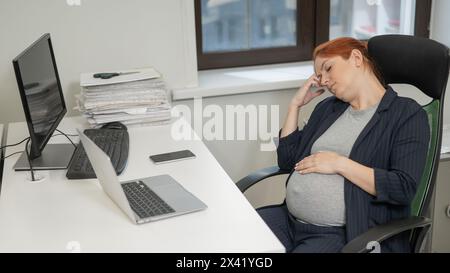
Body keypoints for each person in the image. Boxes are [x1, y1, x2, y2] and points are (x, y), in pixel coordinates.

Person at [258, 37, 430, 253]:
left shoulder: (407, 115)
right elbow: (287, 161)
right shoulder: (328, 109)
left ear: (356, 58)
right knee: (230, 237)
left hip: (343, 233)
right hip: (289, 221)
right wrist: (295, 105)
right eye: (320, 76)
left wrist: (339, 164)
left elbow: (402, 188)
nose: (324, 81)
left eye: (328, 68)